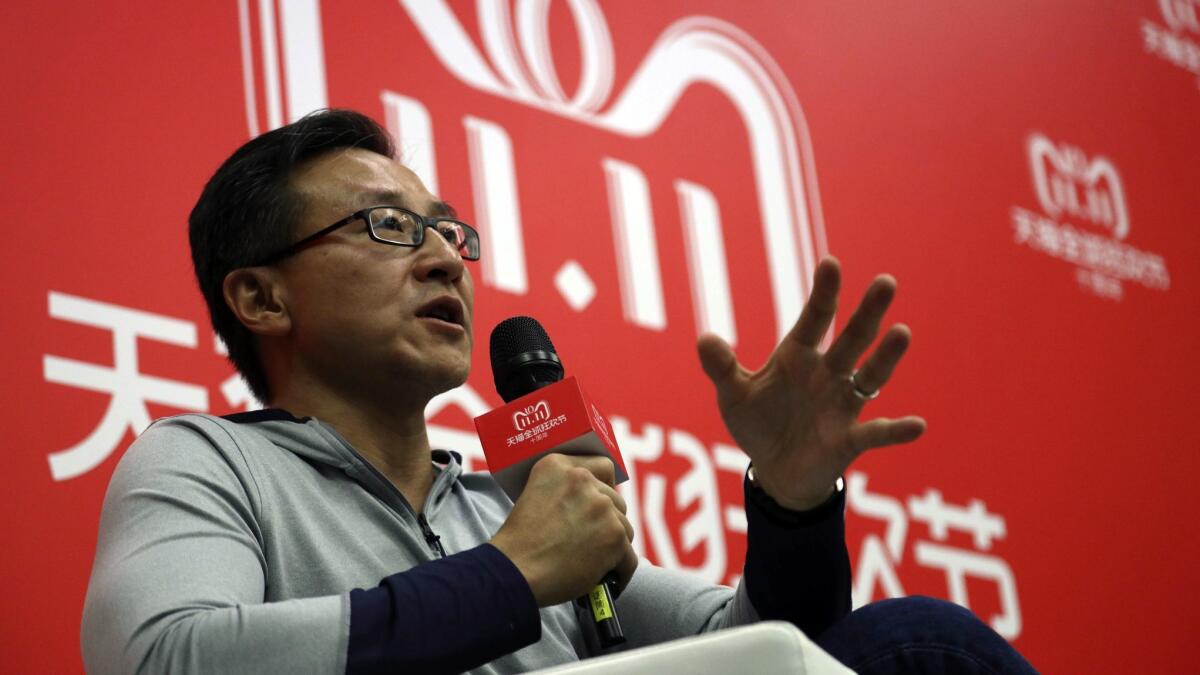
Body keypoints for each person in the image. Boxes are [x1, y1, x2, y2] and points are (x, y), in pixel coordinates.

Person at [81, 109, 1036, 674]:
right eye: (388, 227)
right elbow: (169, 656)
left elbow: (779, 650)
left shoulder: (509, 500)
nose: (444, 262)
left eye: (451, 234)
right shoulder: (207, 461)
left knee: (914, 645)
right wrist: (508, 575)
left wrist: (790, 502)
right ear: (260, 294)